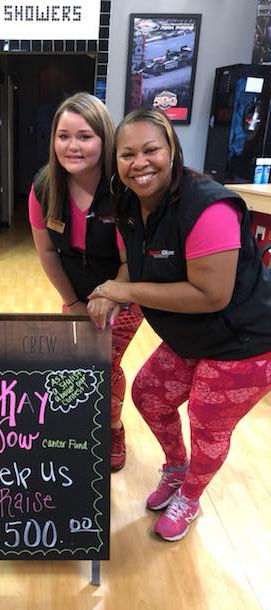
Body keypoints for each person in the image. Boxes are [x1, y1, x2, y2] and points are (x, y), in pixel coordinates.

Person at [88, 108, 271, 541]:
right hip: (190, 335)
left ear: (171, 149)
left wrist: (124, 292)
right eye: (127, 154)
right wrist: (112, 290)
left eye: (151, 149)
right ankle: (176, 468)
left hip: (245, 340)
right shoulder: (129, 203)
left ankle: (190, 497)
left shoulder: (207, 205)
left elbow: (212, 295)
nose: (139, 162)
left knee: (208, 421)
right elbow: (132, 266)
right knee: (150, 395)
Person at [28, 92, 142, 471]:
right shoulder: (44, 187)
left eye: (85, 136)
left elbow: (130, 263)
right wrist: (73, 303)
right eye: (63, 136)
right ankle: (81, 428)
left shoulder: (122, 190)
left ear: (104, 139)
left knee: (102, 361)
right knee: (79, 363)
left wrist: (109, 296)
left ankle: (112, 428)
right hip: (76, 292)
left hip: (126, 289)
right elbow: (47, 253)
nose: (72, 146)